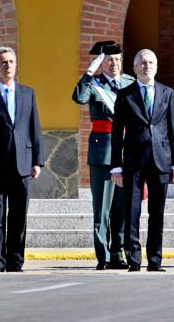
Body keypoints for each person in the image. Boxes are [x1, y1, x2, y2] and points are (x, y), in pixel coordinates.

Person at [0, 46, 44, 272]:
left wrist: (37, 161)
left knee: (18, 217)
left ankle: (15, 260)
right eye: (3, 62)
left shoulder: (27, 93)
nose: (8, 66)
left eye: (12, 61)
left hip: (22, 165)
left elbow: (35, 128)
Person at [110, 49, 174, 272]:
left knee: (157, 212)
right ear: (134, 68)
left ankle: (155, 259)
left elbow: (173, 129)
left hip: (161, 160)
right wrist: (116, 166)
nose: (147, 66)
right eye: (142, 62)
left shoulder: (167, 93)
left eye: (151, 62)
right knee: (132, 211)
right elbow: (116, 133)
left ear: (156, 67)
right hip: (133, 161)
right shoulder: (125, 95)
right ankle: (133, 259)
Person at [71, 41, 134, 270]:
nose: (114, 63)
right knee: (103, 208)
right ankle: (103, 255)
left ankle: (119, 253)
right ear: (101, 63)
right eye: (109, 60)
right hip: (103, 151)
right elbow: (78, 97)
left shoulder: (130, 83)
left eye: (117, 59)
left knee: (122, 207)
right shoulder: (93, 84)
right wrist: (89, 71)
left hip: (126, 151)